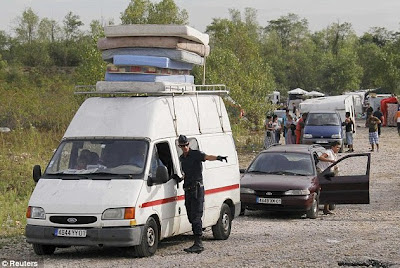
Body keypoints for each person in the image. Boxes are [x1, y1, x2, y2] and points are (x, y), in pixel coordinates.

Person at [176, 135, 227, 254]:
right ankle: (197, 241)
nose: (184, 147)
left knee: (196, 216)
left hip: (197, 189)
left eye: (186, 145)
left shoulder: (195, 154)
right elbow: (186, 173)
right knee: (190, 216)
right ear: (179, 146)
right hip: (188, 189)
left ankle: (198, 243)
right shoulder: (182, 158)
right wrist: (179, 179)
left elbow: (207, 157)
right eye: (182, 146)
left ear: (189, 144)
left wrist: (218, 157)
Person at [317, 141, 341, 215]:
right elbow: (320, 157)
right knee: (326, 189)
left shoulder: (334, 154)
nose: (338, 149)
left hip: (328, 173)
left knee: (328, 190)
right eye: (337, 147)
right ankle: (324, 207)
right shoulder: (328, 152)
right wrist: (330, 161)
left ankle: (326, 208)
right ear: (333, 147)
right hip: (322, 172)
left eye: (339, 147)